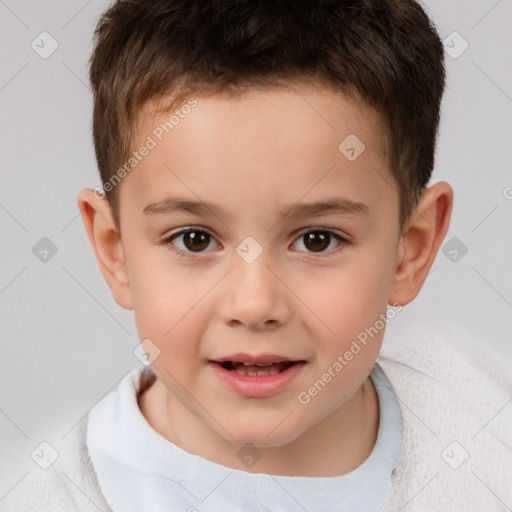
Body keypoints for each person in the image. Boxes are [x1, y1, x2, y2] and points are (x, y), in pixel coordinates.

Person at [10, 0, 511, 510]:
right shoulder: (48, 498)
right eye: (194, 239)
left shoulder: (489, 428)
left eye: (317, 239)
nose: (254, 305)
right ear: (115, 252)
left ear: (411, 250)